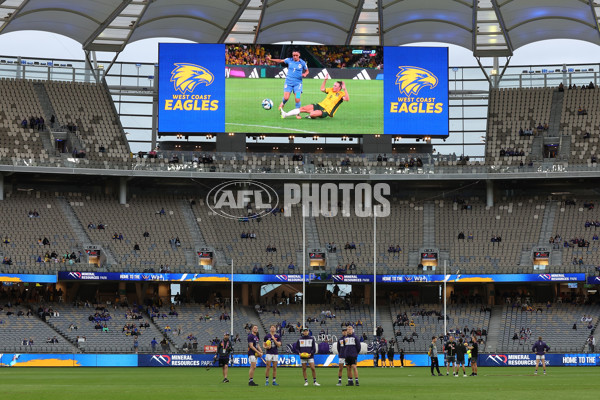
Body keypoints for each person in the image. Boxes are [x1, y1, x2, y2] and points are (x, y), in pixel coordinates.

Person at [281, 75, 349, 120]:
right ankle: (286, 114)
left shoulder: (341, 94)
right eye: (334, 85)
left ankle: (312, 115)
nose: (333, 87)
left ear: (340, 87)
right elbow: (322, 89)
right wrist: (325, 80)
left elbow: (347, 99)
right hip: (320, 105)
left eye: (335, 86)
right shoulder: (331, 90)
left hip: (327, 111)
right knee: (303, 108)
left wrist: (345, 89)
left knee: (312, 114)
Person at [267, 50, 309, 116]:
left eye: (296, 55)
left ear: (299, 55)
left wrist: (305, 74)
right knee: (286, 98)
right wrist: (271, 59)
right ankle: (283, 103)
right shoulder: (289, 60)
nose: (295, 57)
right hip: (288, 83)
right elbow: (280, 61)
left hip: (298, 84)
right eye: (293, 55)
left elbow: (307, 71)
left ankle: (297, 114)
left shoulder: (302, 63)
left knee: (297, 98)